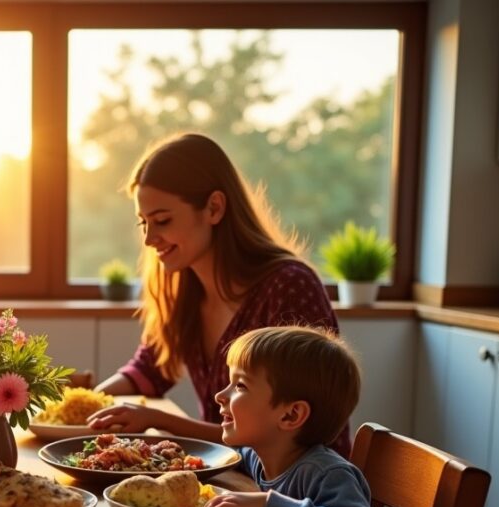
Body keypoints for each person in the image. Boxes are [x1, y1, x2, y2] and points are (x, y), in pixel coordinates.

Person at [86, 133, 350, 456]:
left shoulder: (289, 287)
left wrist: (158, 420)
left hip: (297, 483)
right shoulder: (184, 288)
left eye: (162, 221)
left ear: (214, 208)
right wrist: (88, 406)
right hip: (228, 475)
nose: (149, 239)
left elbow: (295, 438)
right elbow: (148, 371)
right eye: (144, 223)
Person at [203, 326, 399, 507]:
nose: (221, 395)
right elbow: (232, 458)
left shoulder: (326, 473)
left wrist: (269, 503)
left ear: (291, 415)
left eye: (240, 385)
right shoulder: (259, 456)